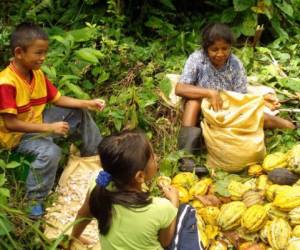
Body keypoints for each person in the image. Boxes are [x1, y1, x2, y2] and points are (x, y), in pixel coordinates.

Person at [0, 22, 105, 219]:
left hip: (37, 122)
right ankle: (35, 200)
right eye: (38, 53)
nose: (43, 57)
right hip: (16, 137)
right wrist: (49, 128)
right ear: (19, 52)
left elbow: (57, 99)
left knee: (77, 111)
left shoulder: (37, 75)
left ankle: (95, 156)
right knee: (51, 151)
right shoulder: (6, 83)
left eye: (45, 52)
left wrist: (87, 103)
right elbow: (10, 124)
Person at [175, 23, 295, 172]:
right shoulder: (197, 59)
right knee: (192, 103)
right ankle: (186, 157)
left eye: (225, 49)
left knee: (261, 116)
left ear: (230, 47)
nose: (220, 54)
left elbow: (241, 98)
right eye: (214, 50)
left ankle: (292, 128)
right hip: (204, 108)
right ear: (206, 49)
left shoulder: (236, 64)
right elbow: (180, 88)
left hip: (229, 108)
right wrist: (210, 93)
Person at [70, 130, 180, 249]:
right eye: (152, 157)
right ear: (140, 176)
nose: (156, 157)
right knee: (187, 213)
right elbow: (165, 242)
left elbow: (82, 215)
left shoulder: (98, 187)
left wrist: (73, 238)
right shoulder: (161, 207)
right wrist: (174, 203)